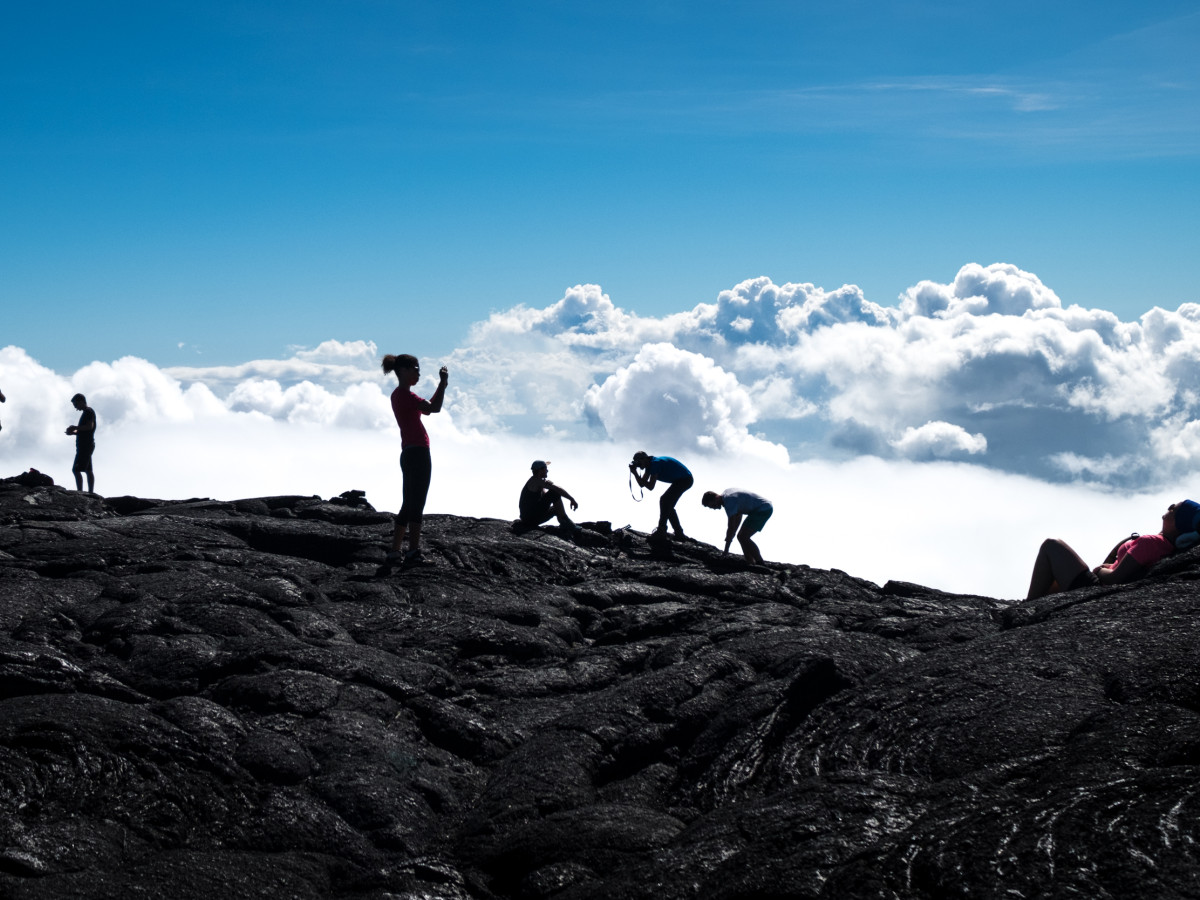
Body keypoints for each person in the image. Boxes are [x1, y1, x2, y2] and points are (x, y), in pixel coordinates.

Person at [1026, 499, 1200, 600]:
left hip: (1096, 588)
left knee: (1051, 545)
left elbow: (1115, 579)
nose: (1168, 508)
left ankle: (1030, 604)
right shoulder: (1166, 548)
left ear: (1179, 523)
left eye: (1173, 508)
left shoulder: (1151, 542)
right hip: (1105, 593)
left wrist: (1100, 570)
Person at [382, 354, 448, 566]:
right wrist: (443, 384)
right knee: (417, 502)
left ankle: (395, 551)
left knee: (408, 502)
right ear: (403, 371)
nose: (418, 373)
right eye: (415, 369)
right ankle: (413, 552)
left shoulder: (398, 396)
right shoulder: (406, 396)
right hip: (419, 452)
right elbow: (434, 408)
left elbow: (428, 408)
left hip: (407, 452)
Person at [629, 451, 693, 541]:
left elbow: (650, 486)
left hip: (685, 479)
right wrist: (635, 473)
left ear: (644, 459)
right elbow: (642, 484)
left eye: (639, 462)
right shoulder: (650, 464)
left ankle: (661, 530)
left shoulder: (655, 464)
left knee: (665, 501)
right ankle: (678, 533)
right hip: (682, 479)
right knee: (668, 505)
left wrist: (636, 473)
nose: (639, 465)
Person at [702, 488, 773, 565]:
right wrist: (731, 536)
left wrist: (726, 550)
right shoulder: (726, 495)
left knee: (743, 537)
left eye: (712, 505)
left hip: (763, 509)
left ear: (716, 498)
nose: (714, 508)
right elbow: (737, 520)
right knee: (741, 537)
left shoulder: (729, 502)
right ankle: (751, 563)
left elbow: (731, 527)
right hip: (764, 507)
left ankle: (760, 563)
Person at [519, 460, 579, 535]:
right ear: (540, 470)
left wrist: (546, 484)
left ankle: (566, 524)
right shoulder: (535, 481)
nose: (547, 470)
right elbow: (557, 489)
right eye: (545, 468)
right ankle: (566, 523)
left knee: (555, 509)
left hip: (529, 519)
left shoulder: (537, 482)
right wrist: (571, 499)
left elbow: (545, 497)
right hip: (530, 518)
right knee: (555, 493)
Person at [65, 393, 97, 492]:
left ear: (81, 402)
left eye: (76, 405)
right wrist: (74, 433)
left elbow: (89, 427)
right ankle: (90, 492)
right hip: (86, 444)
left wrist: (75, 427)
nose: (75, 408)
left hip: (85, 446)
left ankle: (80, 492)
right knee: (88, 470)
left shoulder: (88, 412)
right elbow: (85, 430)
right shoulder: (87, 412)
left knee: (76, 470)